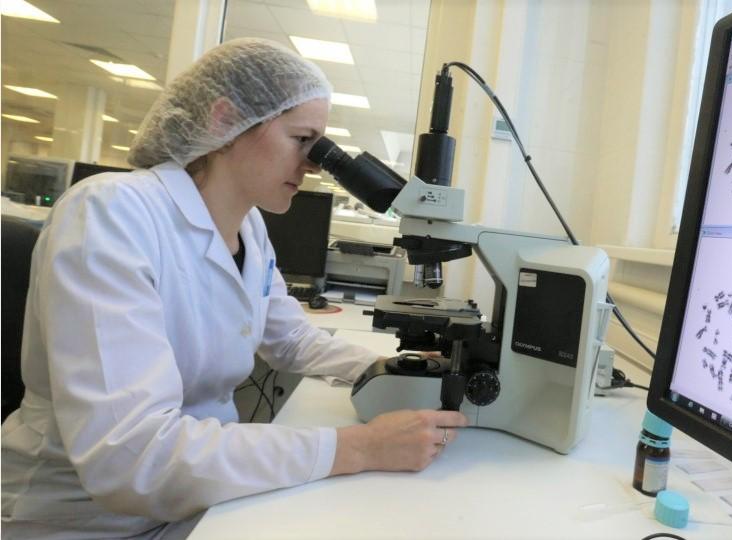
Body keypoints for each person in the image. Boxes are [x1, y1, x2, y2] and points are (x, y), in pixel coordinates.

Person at [0, 38, 468, 540]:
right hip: (86, 521)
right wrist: (360, 447)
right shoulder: (111, 214)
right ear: (225, 120)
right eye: (302, 139)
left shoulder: (250, 227)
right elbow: (131, 456)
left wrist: (393, 371)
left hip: (201, 496)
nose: (314, 165)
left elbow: (291, 339)